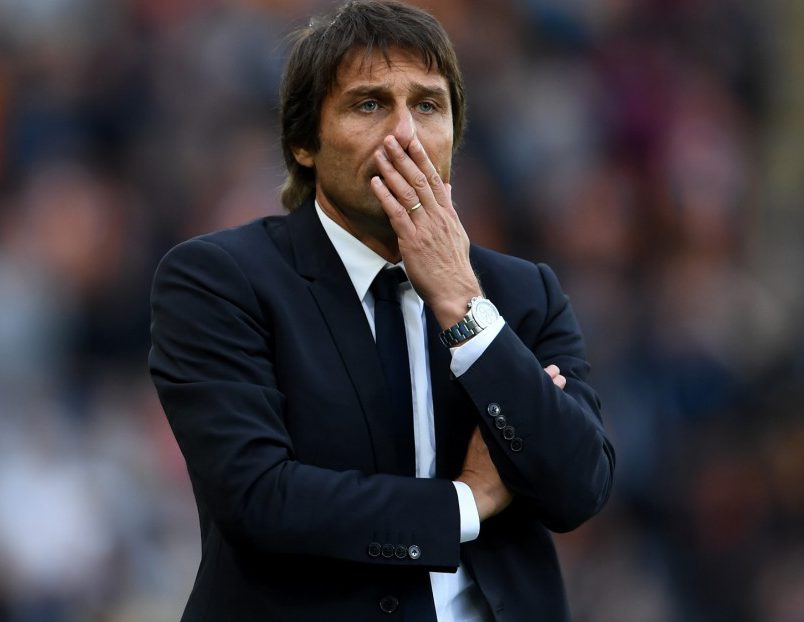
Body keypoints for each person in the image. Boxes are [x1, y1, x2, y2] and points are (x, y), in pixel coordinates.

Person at [148, 1, 615, 620]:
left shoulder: (523, 291)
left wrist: (463, 308)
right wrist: (465, 504)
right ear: (303, 141)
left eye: (428, 105)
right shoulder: (219, 281)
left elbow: (578, 486)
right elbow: (260, 497)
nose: (405, 135)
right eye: (369, 104)